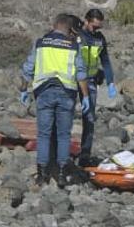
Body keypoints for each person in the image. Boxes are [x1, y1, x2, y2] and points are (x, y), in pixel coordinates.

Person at [20, 13, 91, 188]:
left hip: (44, 92)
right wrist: (86, 97)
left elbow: (28, 68)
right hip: (67, 93)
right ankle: (61, 174)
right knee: (63, 136)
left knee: (44, 135)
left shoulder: (41, 43)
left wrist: (23, 89)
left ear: (54, 25)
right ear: (69, 28)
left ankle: (42, 174)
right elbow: (81, 73)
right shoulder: (73, 46)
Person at [77, 7, 117, 167]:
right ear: (86, 21)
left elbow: (105, 61)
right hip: (73, 81)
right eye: (94, 26)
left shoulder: (100, 39)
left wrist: (110, 81)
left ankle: (85, 155)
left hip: (91, 81)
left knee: (89, 118)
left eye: (98, 27)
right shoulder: (77, 36)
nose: (95, 30)